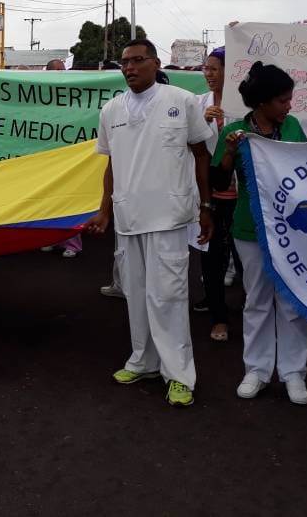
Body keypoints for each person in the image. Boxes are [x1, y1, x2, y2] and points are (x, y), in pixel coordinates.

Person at [86, 39, 213, 408]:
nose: (129, 68)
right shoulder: (111, 110)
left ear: (155, 63)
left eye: (137, 61)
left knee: (169, 298)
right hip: (128, 217)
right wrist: (104, 210)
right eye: (124, 62)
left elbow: (201, 154)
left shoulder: (181, 101)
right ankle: (143, 362)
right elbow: (111, 165)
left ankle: (179, 375)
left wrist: (206, 206)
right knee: (137, 297)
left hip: (170, 217)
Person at [214, 62, 307, 404]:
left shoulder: (295, 127)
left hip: (293, 229)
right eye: (283, 100)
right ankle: (256, 369)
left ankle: (293, 373)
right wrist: (228, 154)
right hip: (249, 229)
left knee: (291, 301)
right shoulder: (236, 133)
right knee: (256, 299)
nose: (289, 106)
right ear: (263, 102)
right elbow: (218, 183)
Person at [192, 47, 241, 342]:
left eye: (214, 68)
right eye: (205, 69)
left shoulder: (246, 106)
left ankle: (254, 308)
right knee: (211, 257)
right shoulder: (199, 105)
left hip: (243, 196)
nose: (208, 74)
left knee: (246, 258)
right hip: (211, 193)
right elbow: (190, 144)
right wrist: (205, 122)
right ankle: (218, 316)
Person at [41, 58, 81, 259]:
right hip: (47, 156)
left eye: (63, 70)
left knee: (67, 200)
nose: (62, 73)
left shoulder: (72, 91)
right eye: (57, 70)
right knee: (47, 200)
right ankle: (50, 239)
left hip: (68, 157)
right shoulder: (41, 91)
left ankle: (72, 243)